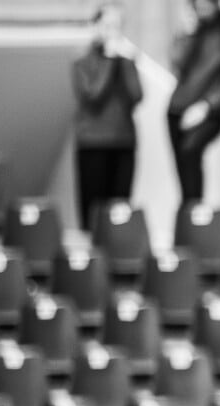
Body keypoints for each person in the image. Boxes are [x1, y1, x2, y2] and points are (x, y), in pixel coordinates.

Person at [70, 1, 142, 233]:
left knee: (119, 213)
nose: (112, 31)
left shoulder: (126, 61)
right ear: (96, 26)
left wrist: (128, 62)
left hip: (123, 141)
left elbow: (137, 95)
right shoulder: (82, 61)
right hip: (93, 142)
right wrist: (110, 60)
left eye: (117, 26)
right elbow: (93, 95)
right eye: (108, 25)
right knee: (93, 213)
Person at [167, 0, 220, 204]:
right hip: (177, 108)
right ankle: (189, 219)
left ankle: (195, 215)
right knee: (182, 169)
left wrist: (206, 106)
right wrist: (188, 35)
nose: (201, 7)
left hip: (208, 110)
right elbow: (177, 63)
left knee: (190, 153)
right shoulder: (191, 33)